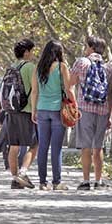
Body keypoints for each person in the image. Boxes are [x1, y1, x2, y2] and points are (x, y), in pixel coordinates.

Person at [68, 35, 112, 190]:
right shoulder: (109, 68)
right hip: (102, 110)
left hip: (85, 109)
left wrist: (74, 106)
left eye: (86, 46)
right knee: (98, 147)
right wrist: (109, 115)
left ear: (91, 47)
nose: (85, 49)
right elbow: (109, 93)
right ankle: (99, 181)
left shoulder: (82, 62)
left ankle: (86, 181)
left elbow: (70, 84)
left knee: (86, 147)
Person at [30, 40, 75, 191]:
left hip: (42, 109)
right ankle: (56, 182)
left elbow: (34, 91)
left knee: (43, 146)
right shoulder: (62, 67)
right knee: (56, 148)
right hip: (57, 110)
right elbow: (68, 89)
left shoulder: (38, 68)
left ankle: (42, 182)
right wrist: (74, 105)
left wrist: (34, 111)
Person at [5, 38, 38, 190]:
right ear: (26, 52)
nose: (33, 54)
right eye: (32, 51)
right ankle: (23, 172)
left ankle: (15, 179)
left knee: (14, 145)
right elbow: (35, 90)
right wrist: (35, 110)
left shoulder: (11, 67)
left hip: (12, 111)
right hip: (26, 111)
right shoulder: (30, 67)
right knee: (35, 144)